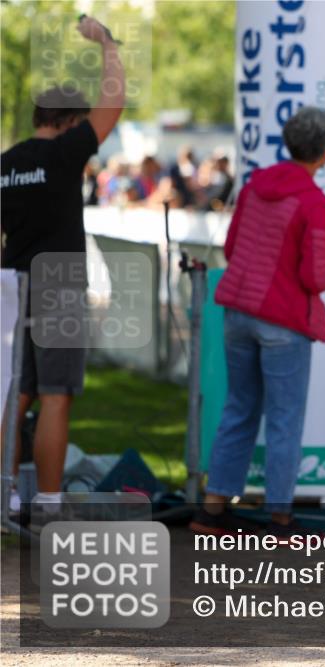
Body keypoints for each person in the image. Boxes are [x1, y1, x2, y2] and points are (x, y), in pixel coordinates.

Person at [189, 107, 325, 539]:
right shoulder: (317, 203)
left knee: (239, 408)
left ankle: (212, 509)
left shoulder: (255, 185)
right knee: (284, 419)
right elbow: (312, 275)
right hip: (284, 321)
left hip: (238, 311)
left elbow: (232, 246)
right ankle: (281, 518)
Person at [0, 16, 125, 517]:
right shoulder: (67, 151)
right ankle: (50, 504)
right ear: (72, 121)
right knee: (55, 394)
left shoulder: (6, 164)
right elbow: (113, 102)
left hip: (11, 282)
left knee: (15, 393)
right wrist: (107, 43)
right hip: (56, 282)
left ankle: (6, 494)